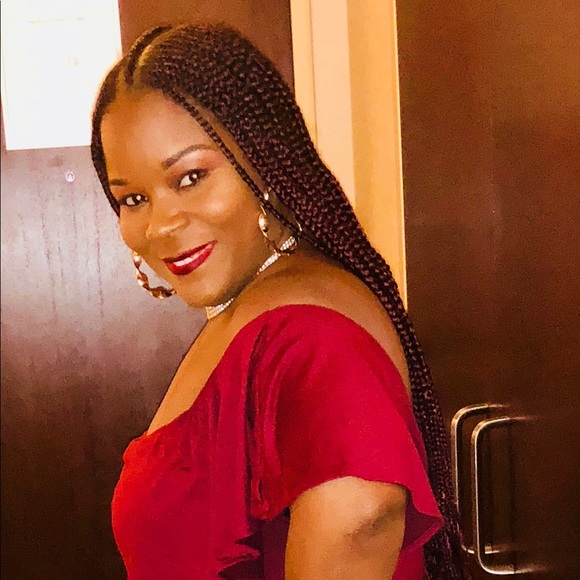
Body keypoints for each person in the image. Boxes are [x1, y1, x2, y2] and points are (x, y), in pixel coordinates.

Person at [91, 23, 464, 579]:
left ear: (262, 160)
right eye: (134, 198)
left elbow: (362, 514)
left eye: (191, 177)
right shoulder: (262, 304)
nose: (161, 224)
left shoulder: (308, 335)